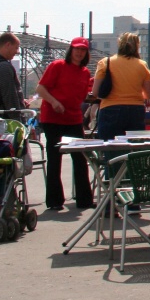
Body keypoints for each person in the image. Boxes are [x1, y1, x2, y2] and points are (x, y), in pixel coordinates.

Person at [35, 37, 95, 210]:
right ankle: (55, 201)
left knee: (80, 158)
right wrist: (54, 102)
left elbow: (83, 96)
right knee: (55, 158)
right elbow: (40, 89)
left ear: (86, 53)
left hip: (73, 118)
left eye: (83, 50)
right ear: (70, 50)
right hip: (53, 118)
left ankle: (84, 199)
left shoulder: (84, 72)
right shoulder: (58, 66)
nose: (79, 52)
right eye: (76, 49)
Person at [92, 32, 150, 143]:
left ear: (119, 44)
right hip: (136, 110)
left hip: (110, 109)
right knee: (134, 149)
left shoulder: (106, 62)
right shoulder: (142, 65)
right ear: (137, 46)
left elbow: (95, 92)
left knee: (111, 150)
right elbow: (148, 94)